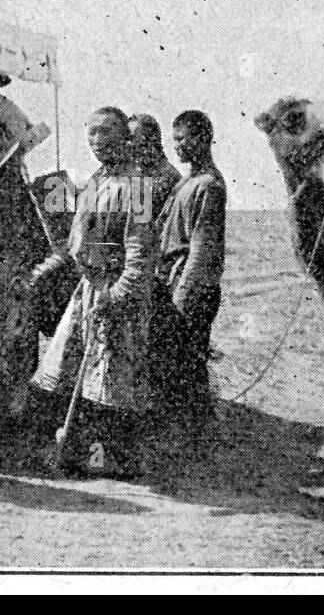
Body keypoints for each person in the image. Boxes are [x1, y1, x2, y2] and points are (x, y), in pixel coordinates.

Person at [25, 107, 157, 478]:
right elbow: (74, 242)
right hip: (89, 287)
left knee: (113, 380)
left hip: (120, 291)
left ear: (125, 137)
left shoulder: (140, 187)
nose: (97, 140)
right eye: (92, 133)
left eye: (105, 132)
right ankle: (79, 451)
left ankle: (114, 460)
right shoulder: (95, 182)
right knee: (71, 370)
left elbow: (142, 250)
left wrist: (119, 295)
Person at [151, 110, 228, 424]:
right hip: (175, 281)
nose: (178, 146)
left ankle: (198, 429)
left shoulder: (209, 185)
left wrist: (183, 296)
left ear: (203, 138)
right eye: (175, 140)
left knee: (188, 362)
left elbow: (201, 248)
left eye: (183, 139)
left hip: (192, 286)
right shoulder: (188, 181)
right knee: (180, 360)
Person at [129, 113, 182, 222]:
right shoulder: (141, 174)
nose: (127, 143)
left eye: (132, 138)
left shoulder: (167, 177)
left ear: (150, 139)